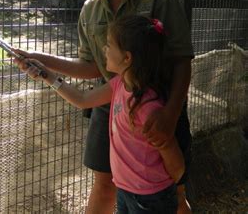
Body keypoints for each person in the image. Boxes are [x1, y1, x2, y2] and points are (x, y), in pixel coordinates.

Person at [13, 0, 193, 213]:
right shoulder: (90, 9)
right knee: (105, 184)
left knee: (173, 189)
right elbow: (92, 66)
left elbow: (182, 61)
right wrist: (41, 61)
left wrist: (170, 115)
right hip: (110, 104)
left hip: (158, 111)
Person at [23, 15, 184, 213]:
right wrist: (47, 76)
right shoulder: (119, 85)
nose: (104, 49)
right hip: (126, 190)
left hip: (150, 198)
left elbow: (177, 167)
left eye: (109, 45)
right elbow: (82, 99)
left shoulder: (149, 107)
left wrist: (164, 191)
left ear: (127, 58)